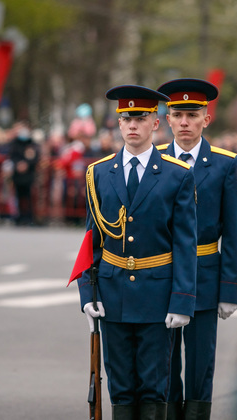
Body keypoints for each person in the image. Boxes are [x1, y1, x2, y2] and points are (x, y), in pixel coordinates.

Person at [75, 85, 197, 420]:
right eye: (126, 118)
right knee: (120, 387)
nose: (132, 125)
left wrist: (182, 300)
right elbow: (92, 240)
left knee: (153, 386)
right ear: (118, 123)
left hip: (157, 296)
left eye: (140, 118)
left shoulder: (177, 175)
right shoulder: (99, 173)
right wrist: (87, 294)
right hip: (112, 293)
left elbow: (184, 243)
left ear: (155, 123)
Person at [155, 78, 237, 420]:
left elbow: (233, 231)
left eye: (192, 115)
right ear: (167, 119)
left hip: (204, 273)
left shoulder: (224, 164)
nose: (184, 123)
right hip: (162, 272)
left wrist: (230, 289)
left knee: (200, 363)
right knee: (163, 361)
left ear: (206, 119)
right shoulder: (155, 160)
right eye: (177, 115)